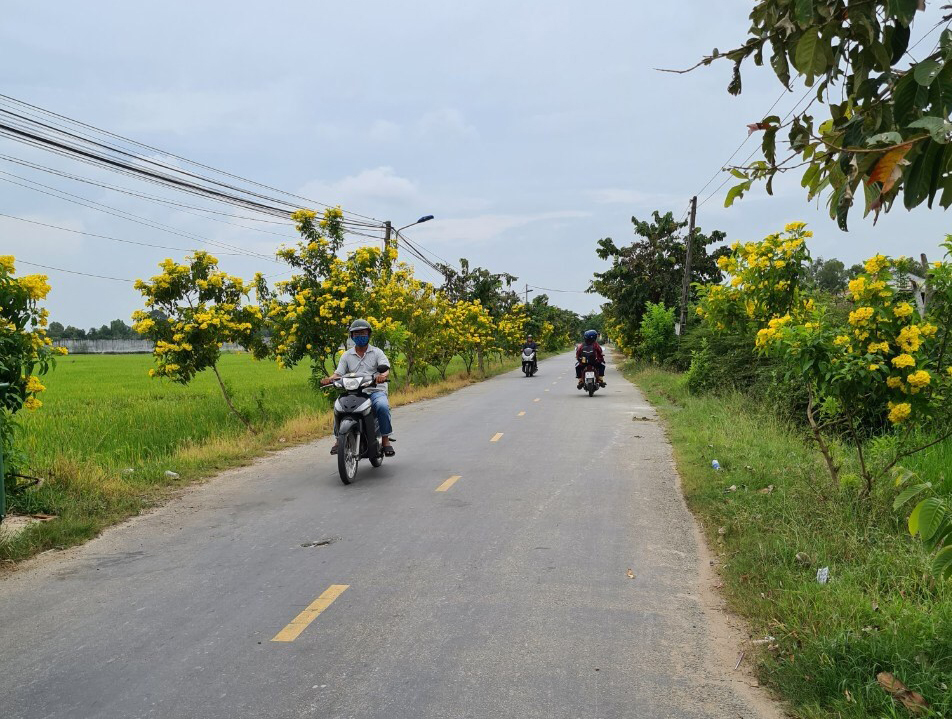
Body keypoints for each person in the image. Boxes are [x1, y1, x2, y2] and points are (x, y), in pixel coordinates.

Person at [321, 319, 395, 456]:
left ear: (369, 334)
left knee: (382, 406)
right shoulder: (347, 355)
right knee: (339, 407)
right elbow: (338, 373)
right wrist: (329, 379)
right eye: (356, 333)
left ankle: (385, 440)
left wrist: (382, 376)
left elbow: (385, 369)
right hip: (354, 391)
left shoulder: (377, 352)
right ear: (352, 336)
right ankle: (338, 440)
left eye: (363, 333)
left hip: (374, 390)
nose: (360, 336)